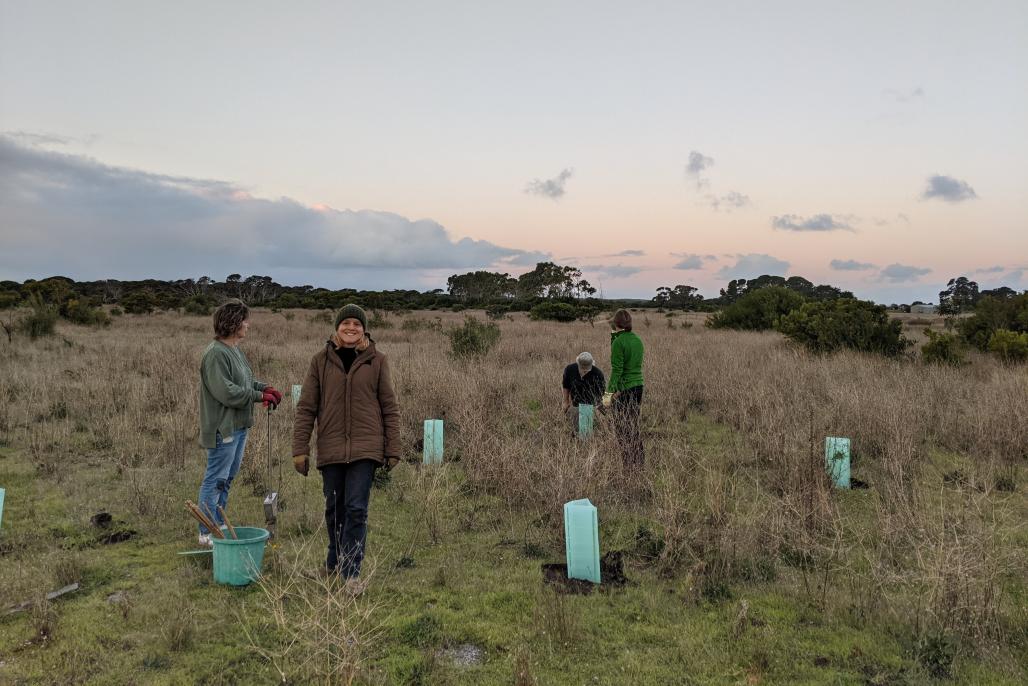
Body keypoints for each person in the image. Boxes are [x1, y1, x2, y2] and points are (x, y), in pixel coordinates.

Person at [292, 304, 400, 593]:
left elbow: (389, 406)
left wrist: (393, 448)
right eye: (345, 323)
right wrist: (299, 448)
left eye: (356, 323)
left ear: (364, 328)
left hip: (366, 447)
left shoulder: (377, 360)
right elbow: (306, 408)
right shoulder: (320, 361)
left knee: (356, 508)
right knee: (334, 509)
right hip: (331, 445)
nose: (351, 328)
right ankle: (332, 564)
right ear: (336, 327)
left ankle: (351, 574)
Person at [197, 300, 281, 547]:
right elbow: (227, 392)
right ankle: (205, 532)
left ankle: (218, 524)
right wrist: (258, 396)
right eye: (244, 320)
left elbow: (246, 381)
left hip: (239, 426)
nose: (248, 324)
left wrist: (265, 388)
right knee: (215, 479)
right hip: (223, 428)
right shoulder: (215, 354)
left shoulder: (234, 350)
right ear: (233, 323)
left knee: (228, 477)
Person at [607, 309, 645, 465]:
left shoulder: (618, 342)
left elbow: (617, 370)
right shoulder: (637, 339)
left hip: (624, 389)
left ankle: (628, 463)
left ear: (616, 323)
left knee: (622, 429)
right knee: (633, 425)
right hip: (638, 386)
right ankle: (639, 461)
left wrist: (607, 396)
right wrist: (615, 336)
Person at [561, 351, 606, 436]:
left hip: (590, 407)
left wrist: (599, 408)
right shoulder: (570, 369)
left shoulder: (598, 374)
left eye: (587, 369)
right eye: (582, 368)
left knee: (586, 435)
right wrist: (565, 401)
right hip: (575, 405)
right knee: (573, 432)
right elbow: (566, 386)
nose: (584, 371)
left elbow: (602, 393)